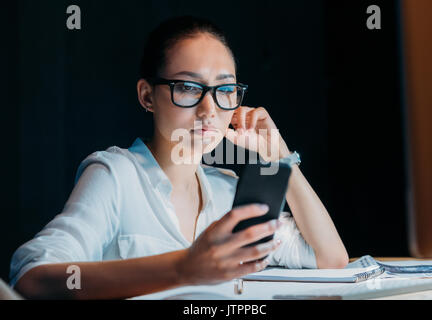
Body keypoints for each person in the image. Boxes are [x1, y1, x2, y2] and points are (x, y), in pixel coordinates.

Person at [10, 15, 348, 299]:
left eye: (225, 90)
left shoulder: (227, 191)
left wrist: (281, 157)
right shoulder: (116, 175)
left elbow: (330, 258)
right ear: (147, 96)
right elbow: (32, 279)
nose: (209, 109)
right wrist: (183, 268)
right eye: (188, 87)